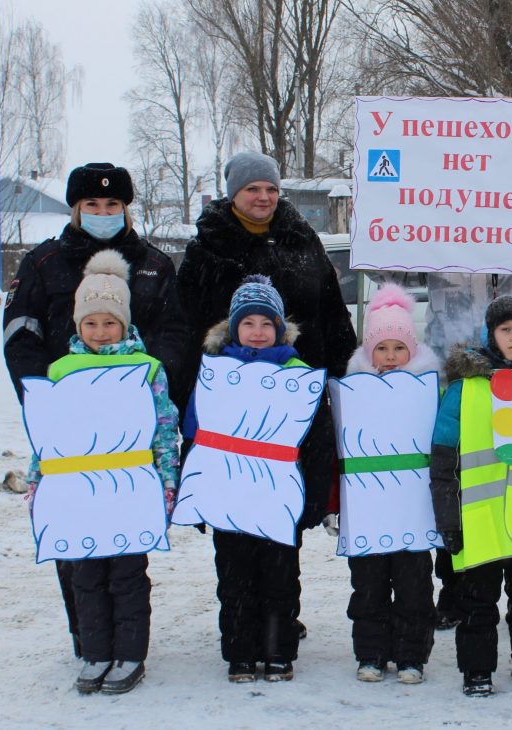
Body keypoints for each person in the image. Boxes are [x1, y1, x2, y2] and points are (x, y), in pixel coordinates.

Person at [3, 162, 187, 662]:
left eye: (113, 205)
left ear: (126, 209)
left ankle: (126, 643)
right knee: (75, 535)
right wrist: (45, 397)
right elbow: (21, 334)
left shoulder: (154, 264)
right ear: (76, 208)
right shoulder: (45, 262)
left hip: (133, 426)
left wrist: (147, 385)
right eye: (92, 205)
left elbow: (174, 333)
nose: (103, 213)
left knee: (125, 541)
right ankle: (89, 641)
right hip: (69, 422)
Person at [177, 151, 356, 639]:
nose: (263, 197)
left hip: (294, 397)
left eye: (271, 189)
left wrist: (346, 370)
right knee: (234, 520)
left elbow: (331, 311)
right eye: (253, 188)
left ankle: (280, 618)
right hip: (229, 406)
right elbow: (185, 325)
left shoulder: (302, 239)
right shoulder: (207, 248)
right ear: (233, 193)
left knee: (282, 514)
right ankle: (241, 619)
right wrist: (189, 396)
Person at [24, 251, 181, 695]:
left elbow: (164, 429)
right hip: (79, 500)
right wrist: (39, 484)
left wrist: (167, 482)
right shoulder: (60, 371)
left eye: (109, 322)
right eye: (90, 323)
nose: (99, 331)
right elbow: (46, 437)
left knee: (127, 576)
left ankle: (130, 653)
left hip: (130, 493)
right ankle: (95, 652)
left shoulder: (145, 370)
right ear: (77, 325)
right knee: (87, 576)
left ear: (125, 323)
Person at [185, 275, 317, 682]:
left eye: (266, 324)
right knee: (234, 578)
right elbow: (196, 432)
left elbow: (315, 438)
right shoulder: (216, 372)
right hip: (228, 495)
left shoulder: (297, 374)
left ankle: (277, 650)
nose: (257, 332)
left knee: (280, 578)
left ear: (279, 328)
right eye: (248, 323)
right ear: (233, 327)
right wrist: (198, 490)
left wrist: (311, 498)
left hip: (277, 497)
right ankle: (240, 651)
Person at [429, 295, 512, 697]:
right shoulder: (463, 390)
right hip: (479, 518)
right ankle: (477, 671)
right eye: (506, 330)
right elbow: (443, 461)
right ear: (490, 334)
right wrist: (449, 520)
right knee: (477, 605)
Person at [324, 283, 441, 685]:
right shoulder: (351, 393)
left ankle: (411, 655)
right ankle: (371, 652)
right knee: (368, 587)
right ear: (367, 351)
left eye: (398, 348)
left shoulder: (430, 392)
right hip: (368, 511)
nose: (390, 357)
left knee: (414, 587)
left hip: (412, 508)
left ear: (413, 350)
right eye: (381, 348)